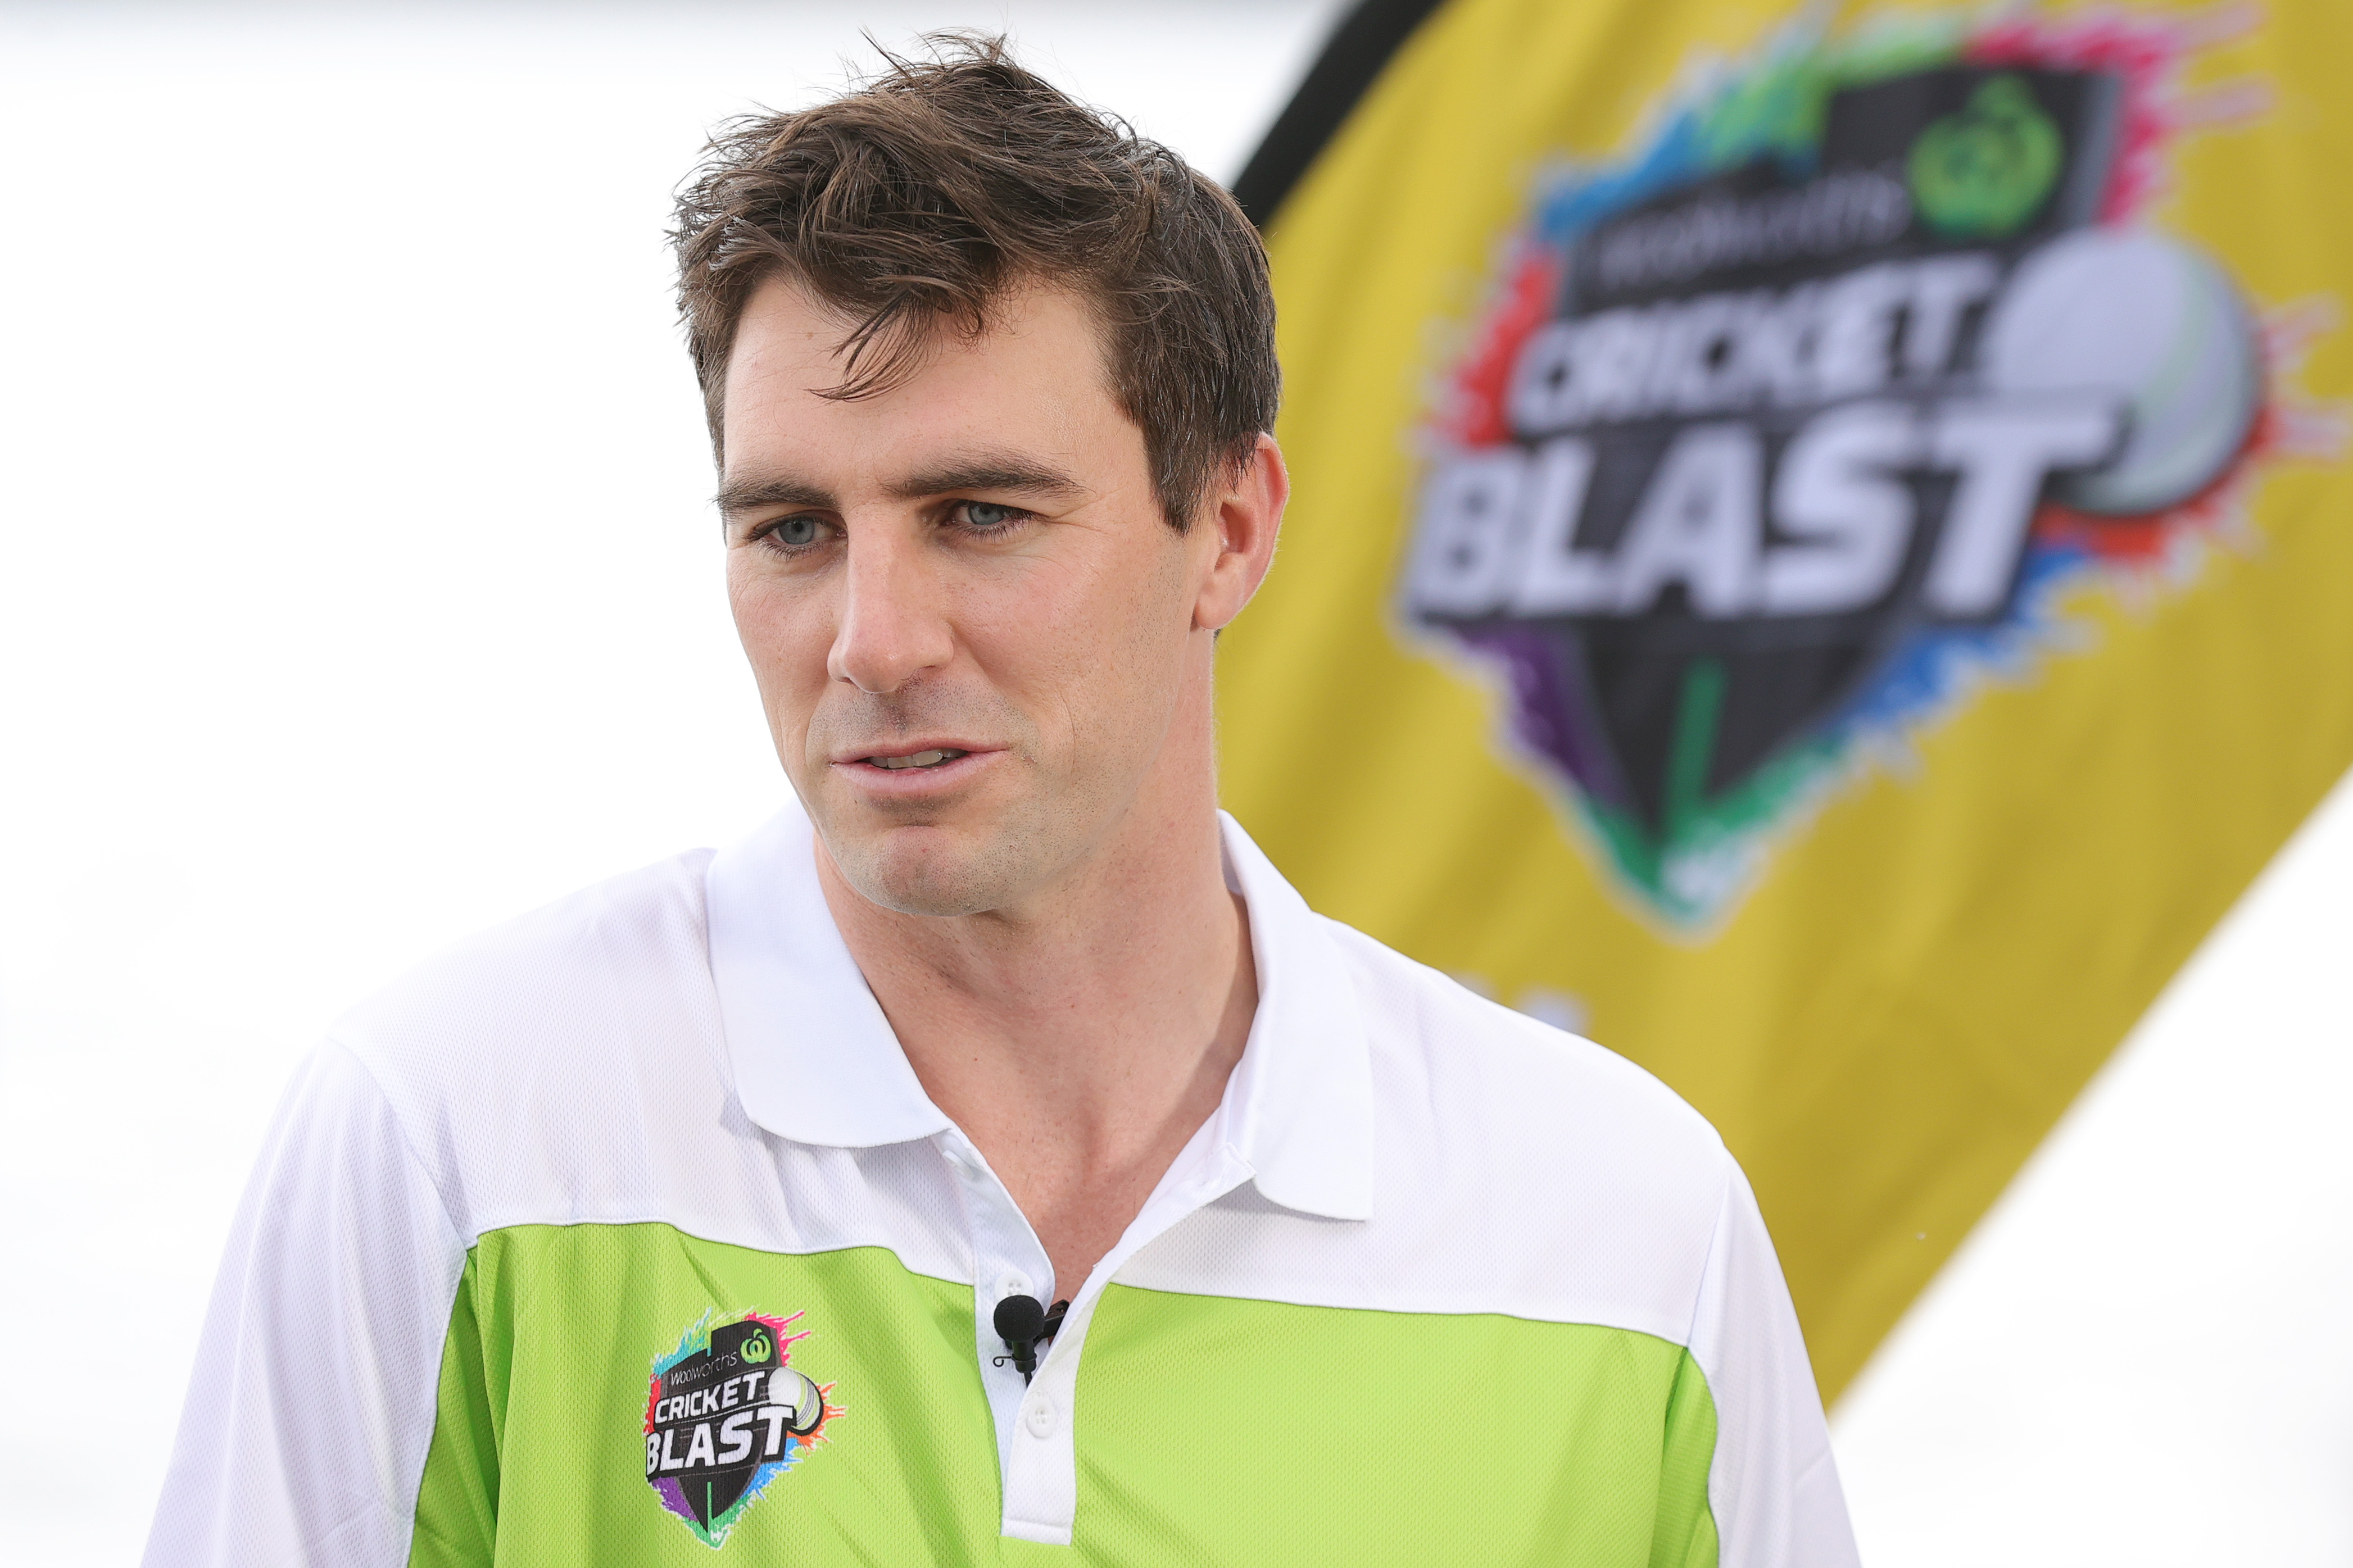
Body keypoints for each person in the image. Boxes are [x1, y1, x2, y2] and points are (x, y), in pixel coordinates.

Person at [147, 36, 1857, 1568]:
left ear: (1229, 529)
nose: (871, 642)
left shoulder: (1625, 1225)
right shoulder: (457, 1133)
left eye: (980, 516)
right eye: (792, 530)